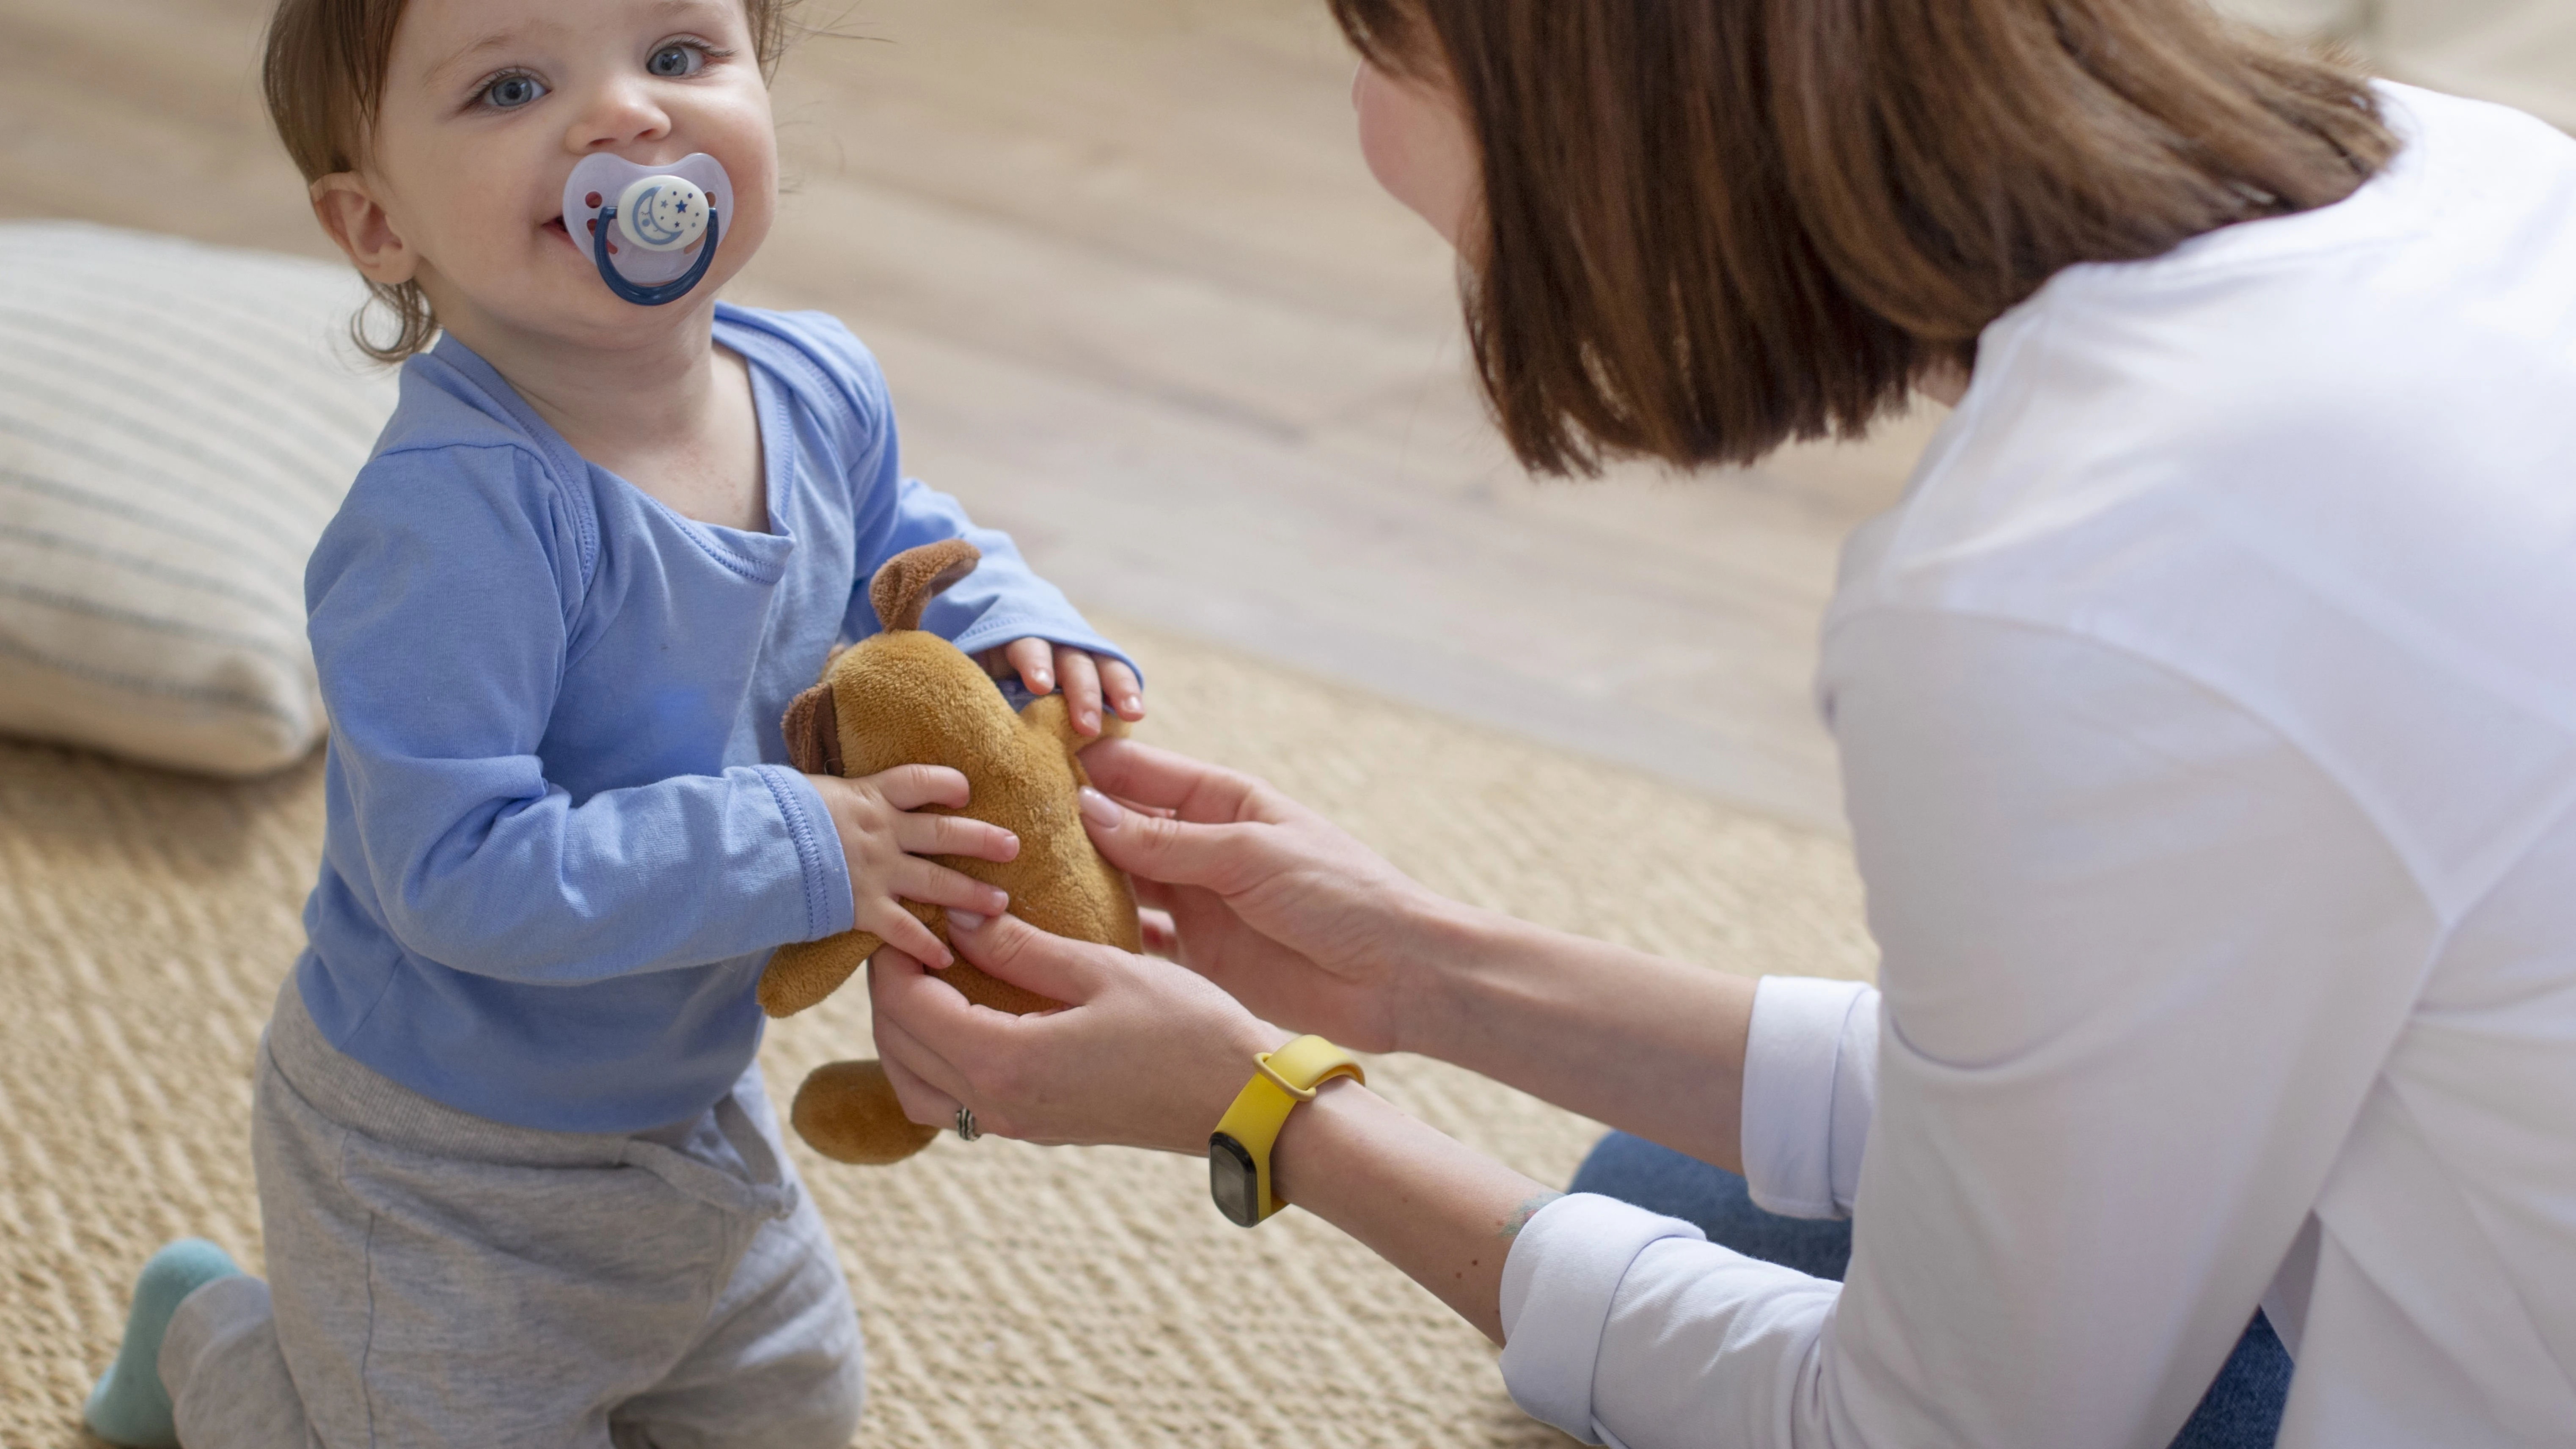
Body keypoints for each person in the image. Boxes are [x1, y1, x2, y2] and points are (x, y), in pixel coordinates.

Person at [867, 2, 2576, 1446]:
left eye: (1384, 53)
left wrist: (1278, 1115)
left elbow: (1917, 1429)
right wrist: (1419, 967)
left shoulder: (2047, 602)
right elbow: (2121, 1070)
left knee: (1678, 1260)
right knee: (1675, 1194)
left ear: (1588, 105)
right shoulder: (2458, 167)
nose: (1369, 138)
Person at [77, 0, 1148, 1444]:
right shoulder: (451, 526)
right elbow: (456, 873)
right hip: (445, 1156)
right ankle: (215, 1349)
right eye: (515, 84)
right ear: (377, 225)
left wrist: (1010, 618)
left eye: (682, 56)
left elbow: (899, 542)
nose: (626, 117)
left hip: (693, 1092)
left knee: (796, 1414)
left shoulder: (816, 382)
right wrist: (800, 843)